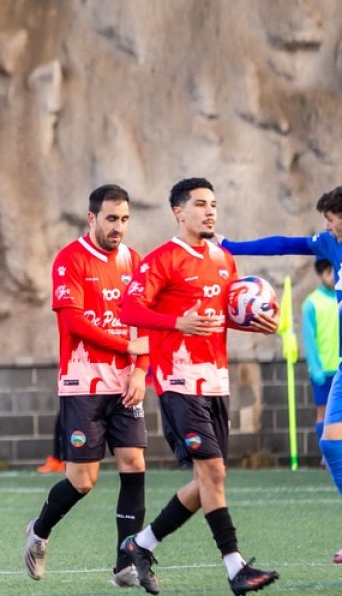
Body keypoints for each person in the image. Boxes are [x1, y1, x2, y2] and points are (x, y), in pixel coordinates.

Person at [118, 177, 279, 595]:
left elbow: (223, 313)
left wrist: (254, 322)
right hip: (177, 380)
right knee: (213, 472)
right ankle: (235, 568)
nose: (210, 211)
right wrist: (176, 323)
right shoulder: (161, 260)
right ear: (178, 211)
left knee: (208, 481)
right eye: (201, 204)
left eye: (214, 204)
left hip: (216, 380)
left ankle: (141, 543)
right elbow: (128, 307)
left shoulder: (224, 259)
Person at [24, 185, 149, 587]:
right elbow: (73, 323)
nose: (119, 227)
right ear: (92, 218)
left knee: (134, 463)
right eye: (111, 219)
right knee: (83, 481)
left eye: (125, 219)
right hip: (83, 383)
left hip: (125, 383)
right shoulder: (70, 259)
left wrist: (140, 370)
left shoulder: (135, 261)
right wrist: (126, 346)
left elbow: (144, 324)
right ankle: (39, 531)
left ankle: (126, 563)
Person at [215, 185, 342, 562]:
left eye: (332, 220)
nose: (328, 227)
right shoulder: (329, 244)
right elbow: (284, 243)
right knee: (332, 445)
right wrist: (232, 246)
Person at [303, 259, 339, 455]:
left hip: (340, 368)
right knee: (323, 413)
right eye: (329, 273)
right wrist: (316, 370)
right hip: (323, 370)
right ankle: (326, 457)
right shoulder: (311, 302)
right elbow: (309, 340)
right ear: (321, 274)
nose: (333, 277)